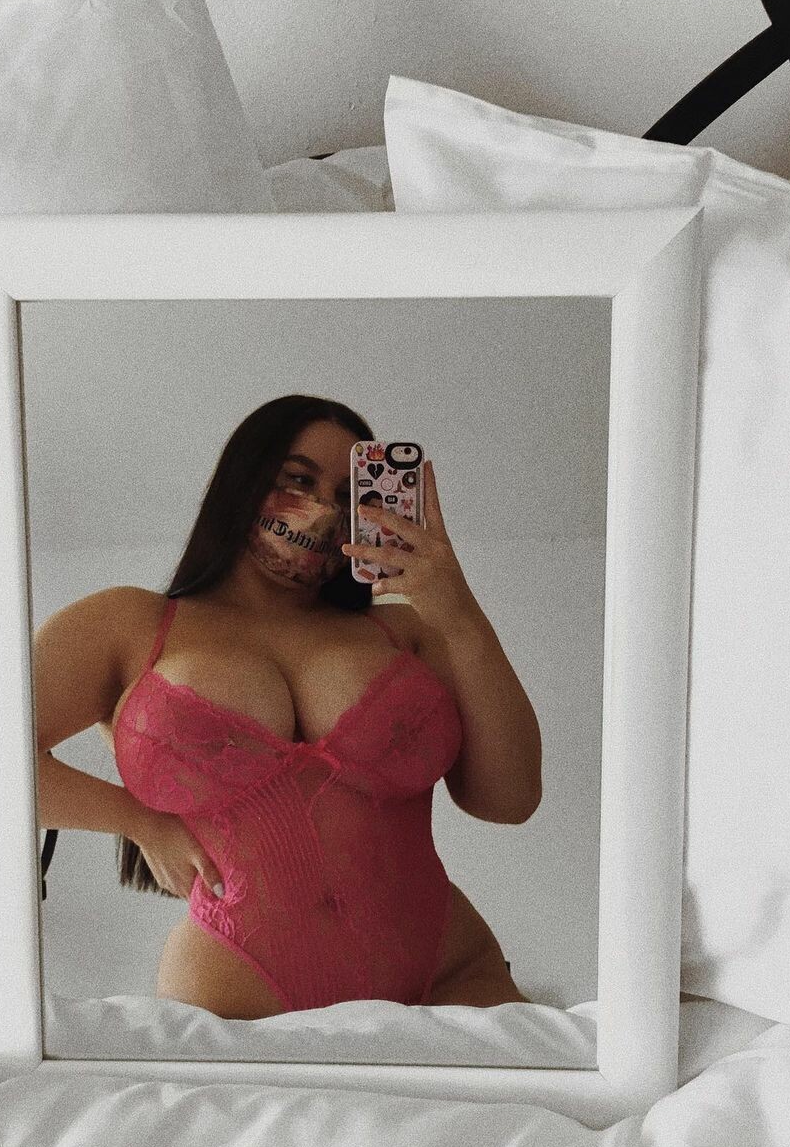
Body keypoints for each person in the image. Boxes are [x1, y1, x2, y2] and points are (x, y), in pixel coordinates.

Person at [34, 394, 542, 1019]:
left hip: (450, 974)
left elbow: (509, 800)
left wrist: (456, 608)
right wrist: (140, 821)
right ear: (242, 484)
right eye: (297, 480)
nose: (324, 508)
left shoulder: (410, 631)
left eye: (350, 494)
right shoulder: (128, 624)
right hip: (234, 992)